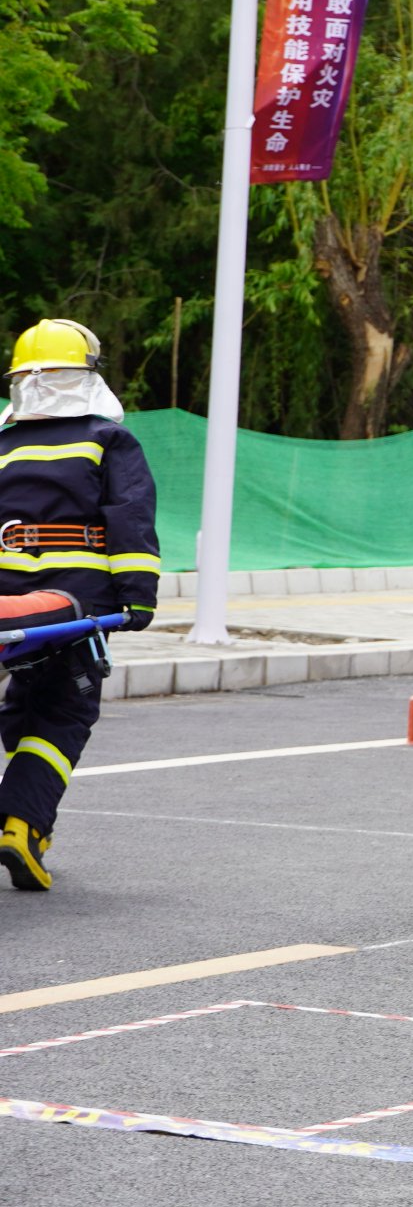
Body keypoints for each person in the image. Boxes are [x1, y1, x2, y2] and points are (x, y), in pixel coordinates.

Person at [0, 319, 159, 891]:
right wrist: (138, 597)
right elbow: (130, 518)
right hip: (77, 599)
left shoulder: (4, 444)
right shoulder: (108, 439)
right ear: (86, 375)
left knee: (21, 708)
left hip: (7, 593)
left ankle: (25, 811)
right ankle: (21, 822)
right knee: (65, 710)